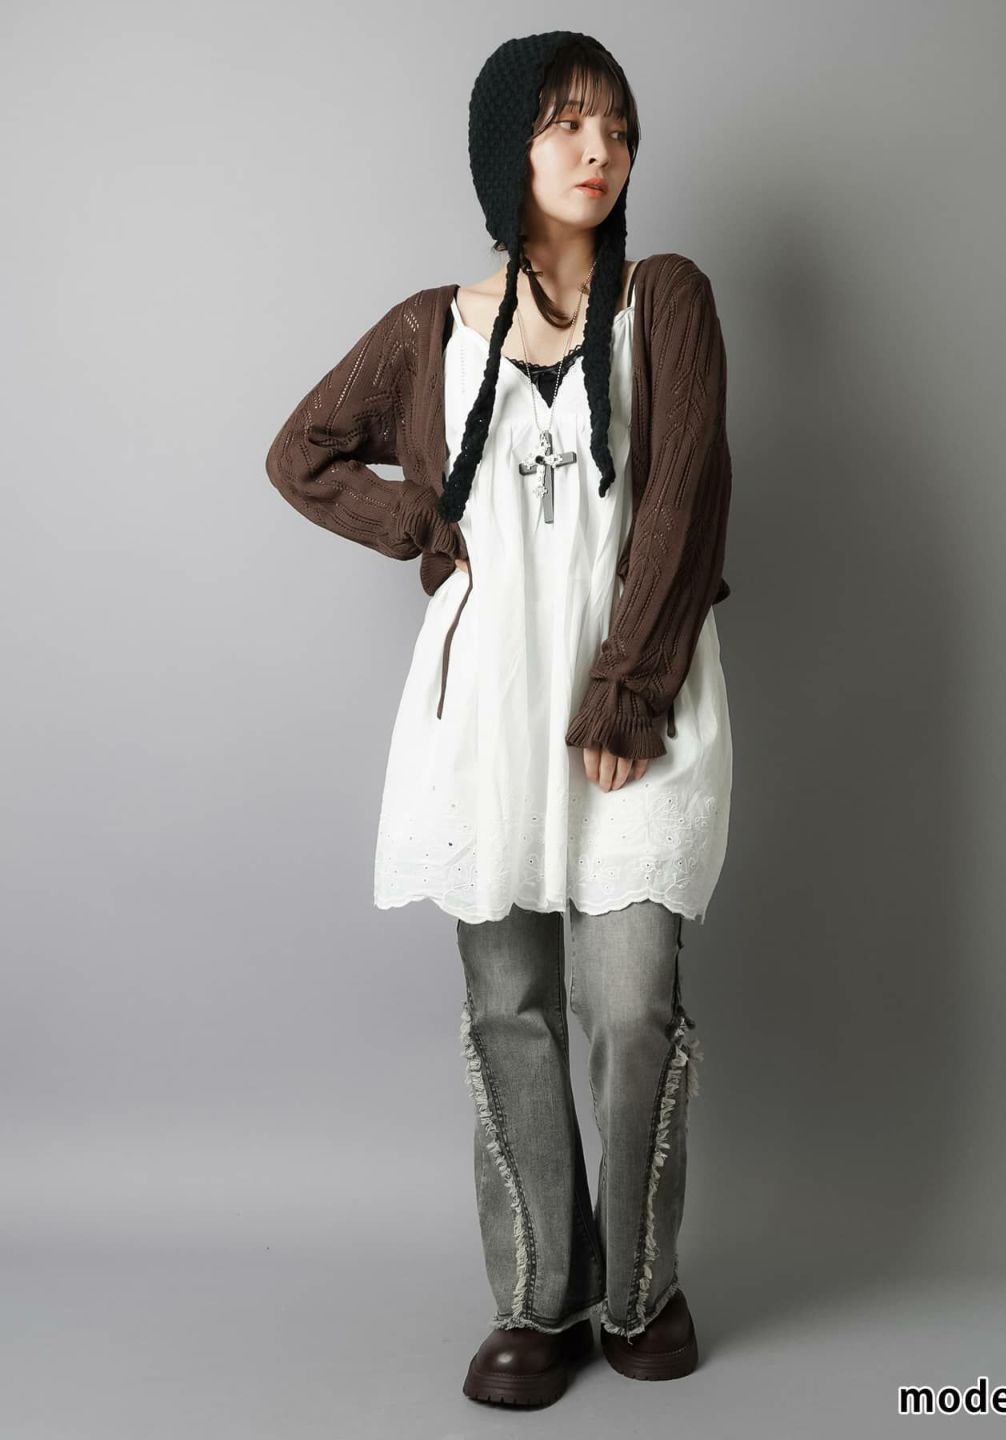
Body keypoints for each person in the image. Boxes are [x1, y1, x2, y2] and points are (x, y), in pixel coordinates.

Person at [264, 31, 734, 1409]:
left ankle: (641, 1291)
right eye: (567, 124)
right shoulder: (433, 326)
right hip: (485, 710)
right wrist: (422, 522)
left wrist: (628, 690)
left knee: (630, 1004)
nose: (601, 150)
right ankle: (540, 1297)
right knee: (511, 1008)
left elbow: (685, 502)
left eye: (619, 128)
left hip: (635, 698)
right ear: (506, 150)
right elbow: (301, 453)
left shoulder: (667, 299)